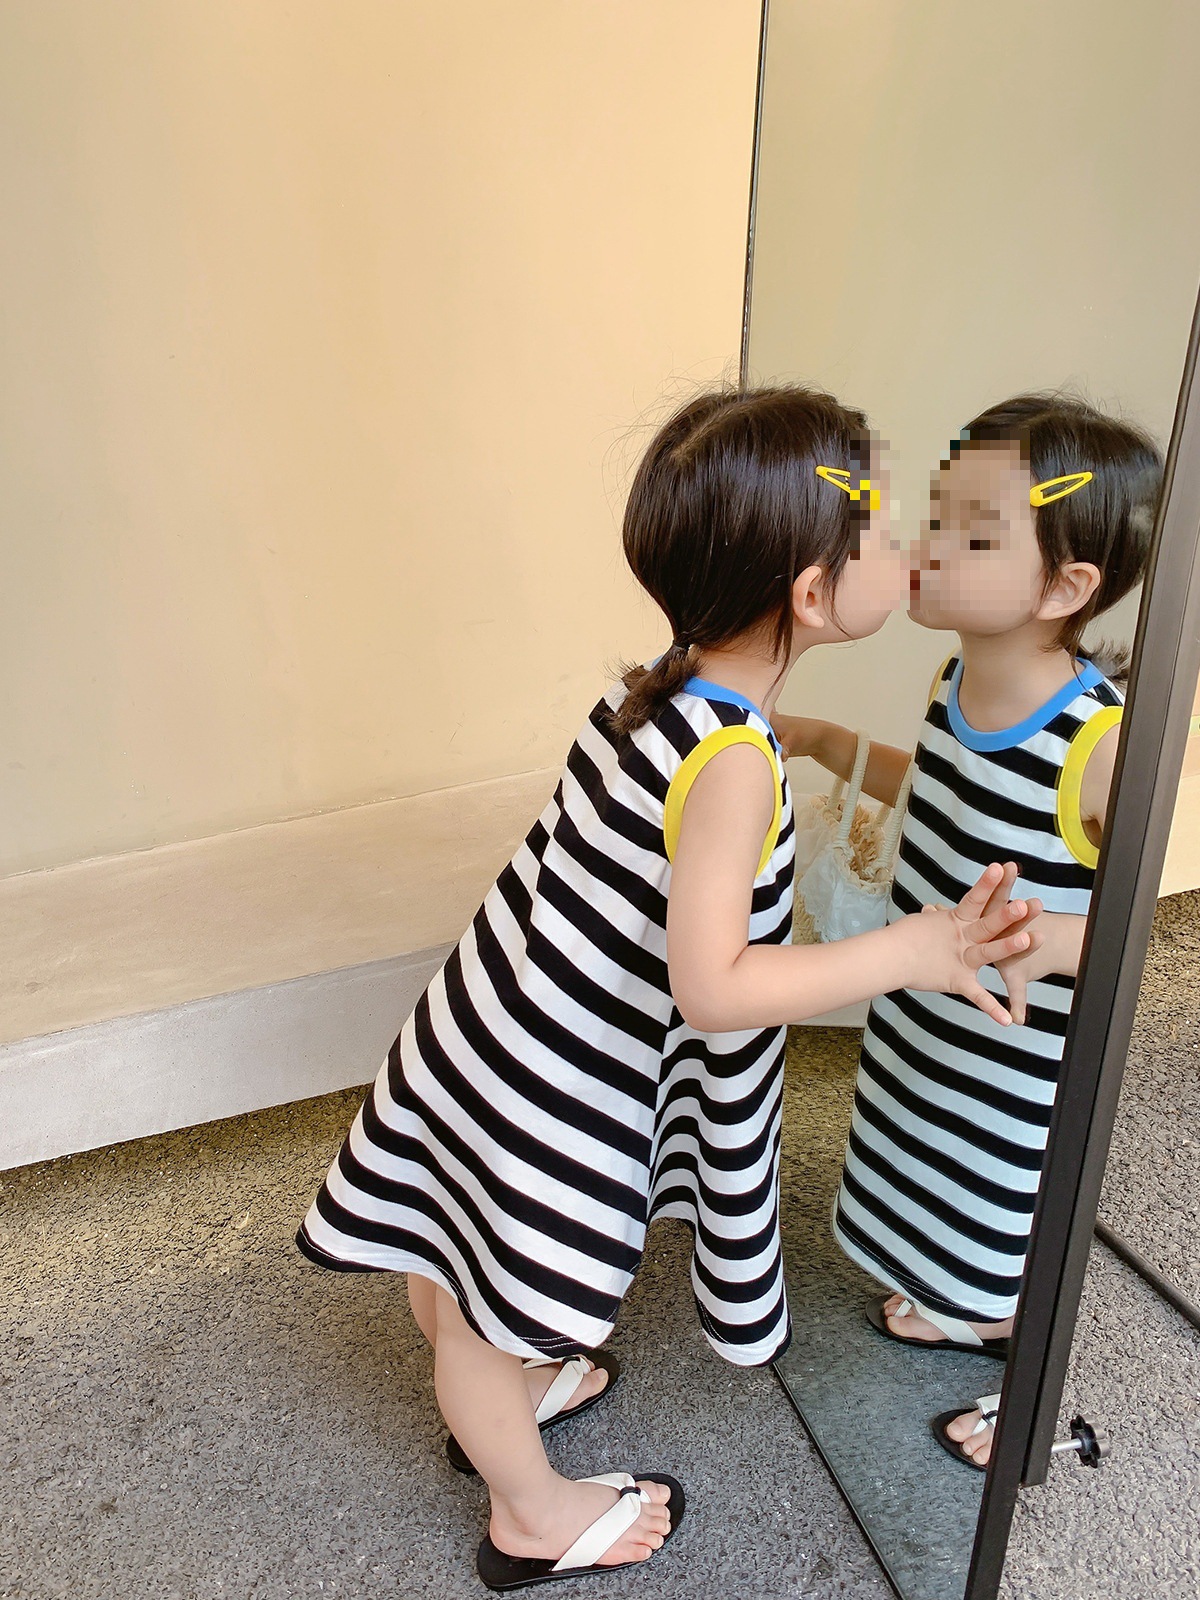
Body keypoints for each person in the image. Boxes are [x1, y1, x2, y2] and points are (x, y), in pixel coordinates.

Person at [295, 384, 1039, 1586]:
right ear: (812, 595)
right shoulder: (732, 759)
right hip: (549, 1088)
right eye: (886, 525)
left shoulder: (666, 683)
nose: (907, 544)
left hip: (492, 1030)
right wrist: (915, 950)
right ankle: (528, 1511)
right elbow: (715, 987)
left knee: (458, 1251)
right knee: (484, 1307)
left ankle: (512, 1389)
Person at [774, 393, 1162, 1469]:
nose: (933, 543)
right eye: (939, 513)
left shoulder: (1098, 743)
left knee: (1005, 1209)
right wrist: (828, 741)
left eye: (976, 533)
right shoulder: (954, 679)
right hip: (930, 1014)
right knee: (918, 1152)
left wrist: (1044, 942)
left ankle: (1029, 1378)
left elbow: (1130, 925)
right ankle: (966, 1308)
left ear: (1064, 588)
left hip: (1014, 1048)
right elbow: (946, 787)